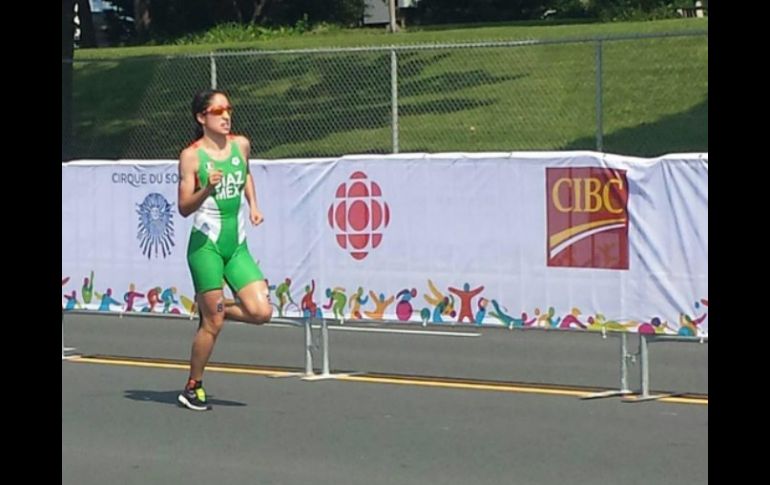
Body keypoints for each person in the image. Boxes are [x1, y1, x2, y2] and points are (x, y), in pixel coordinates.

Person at [176, 89, 272, 411]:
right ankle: (193, 385)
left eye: (228, 109)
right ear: (201, 118)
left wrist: (254, 205)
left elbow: (244, 173)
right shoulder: (192, 156)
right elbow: (184, 207)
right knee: (213, 325)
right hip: (206, 245)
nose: (225, 116)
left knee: (262, 312)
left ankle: (211, 307)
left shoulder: (240, 145)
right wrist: (208, 189)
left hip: (236, 244)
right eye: (217, 111)